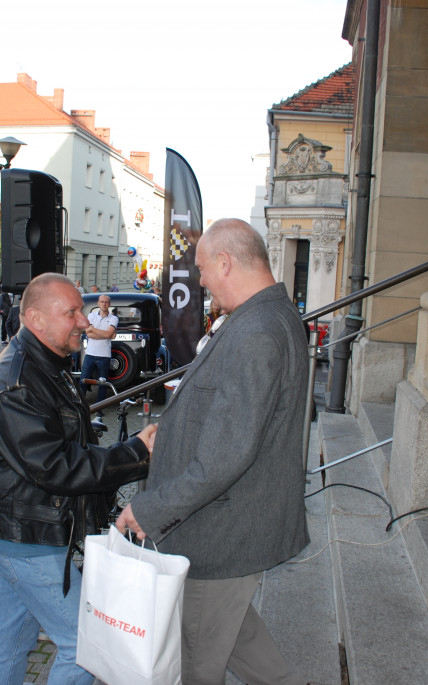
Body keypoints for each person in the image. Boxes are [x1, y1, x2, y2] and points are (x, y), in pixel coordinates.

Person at [116, 218, 309, 685]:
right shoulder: (264, 317)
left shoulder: (256, 332)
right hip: (227, 529)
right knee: (241, 642)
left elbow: (227, 455)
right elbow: (233, 417)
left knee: (198, 663)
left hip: (218, 534)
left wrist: (150, 509)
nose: (199, 280)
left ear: (225, 262)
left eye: (202, 269)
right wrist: (179, 427)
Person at [0, 272, 157, 685]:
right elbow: (56, 467)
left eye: (82, 311)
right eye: (71, 312)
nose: (84, 322)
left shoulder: (45, 366)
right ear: (35, 319)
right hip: (24, 535)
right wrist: (137, 453)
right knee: (86, 646)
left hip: (23, 527)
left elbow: (68, 453)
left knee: (13, 638)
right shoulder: (17, 381)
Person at [80, 294, 118, 406]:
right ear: (98, 303)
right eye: (102, 302)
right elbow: (88, 333)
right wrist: (106, 334)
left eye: (106, 302)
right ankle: (80, 406)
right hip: (90, 354)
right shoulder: (91, 316)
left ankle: (99, 409)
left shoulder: (113, 318)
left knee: (102, 384)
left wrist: (94, 329)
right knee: (82, 381)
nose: (104, 304)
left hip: (104, 355)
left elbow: (107, 333)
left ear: (109, 304)